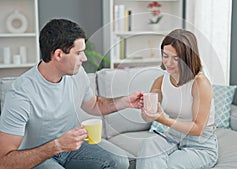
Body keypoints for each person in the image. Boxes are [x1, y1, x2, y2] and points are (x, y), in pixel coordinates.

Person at [0, 18, 143, 169]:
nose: (85, 58)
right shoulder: (21, 94)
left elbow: (94, 104)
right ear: (59, 55)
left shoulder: (77, 74)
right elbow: (4, 161)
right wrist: (57, 145)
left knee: (119, 161)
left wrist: (126, 102)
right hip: (37, 155)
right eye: (79, 53)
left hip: (72, 148)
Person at [136, 29, 218, 168]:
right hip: (173, 137)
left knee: (170, 165)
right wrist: (146, 110)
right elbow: (147, 118)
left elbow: (198, 128)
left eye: (176, 58)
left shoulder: (200, 83)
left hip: (200, 145)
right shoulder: (160, 81)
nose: (168, 62)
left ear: (188, 58)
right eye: (165, 55)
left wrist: (164, 119)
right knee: (149, 145)